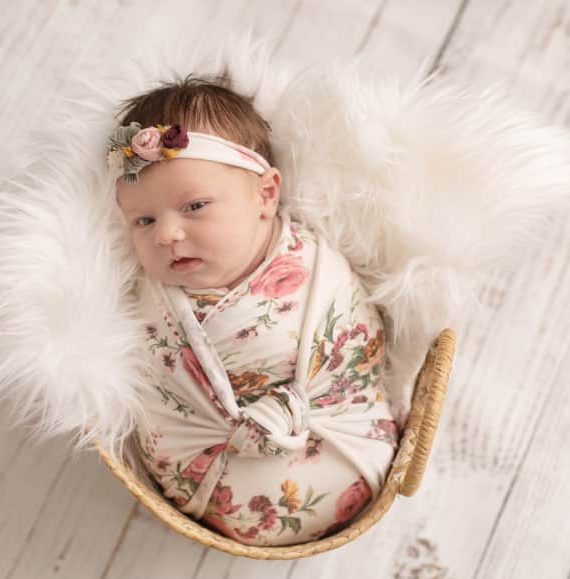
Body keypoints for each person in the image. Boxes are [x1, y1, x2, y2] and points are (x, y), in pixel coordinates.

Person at [108, 74, 399, 546]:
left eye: (195, 206)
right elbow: (141, 382)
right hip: (205, 482)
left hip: (345, 447)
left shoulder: (315, 268)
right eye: (144, 220)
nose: (166, 234)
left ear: (265, 195)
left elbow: (361, 345)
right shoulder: (151, 300)